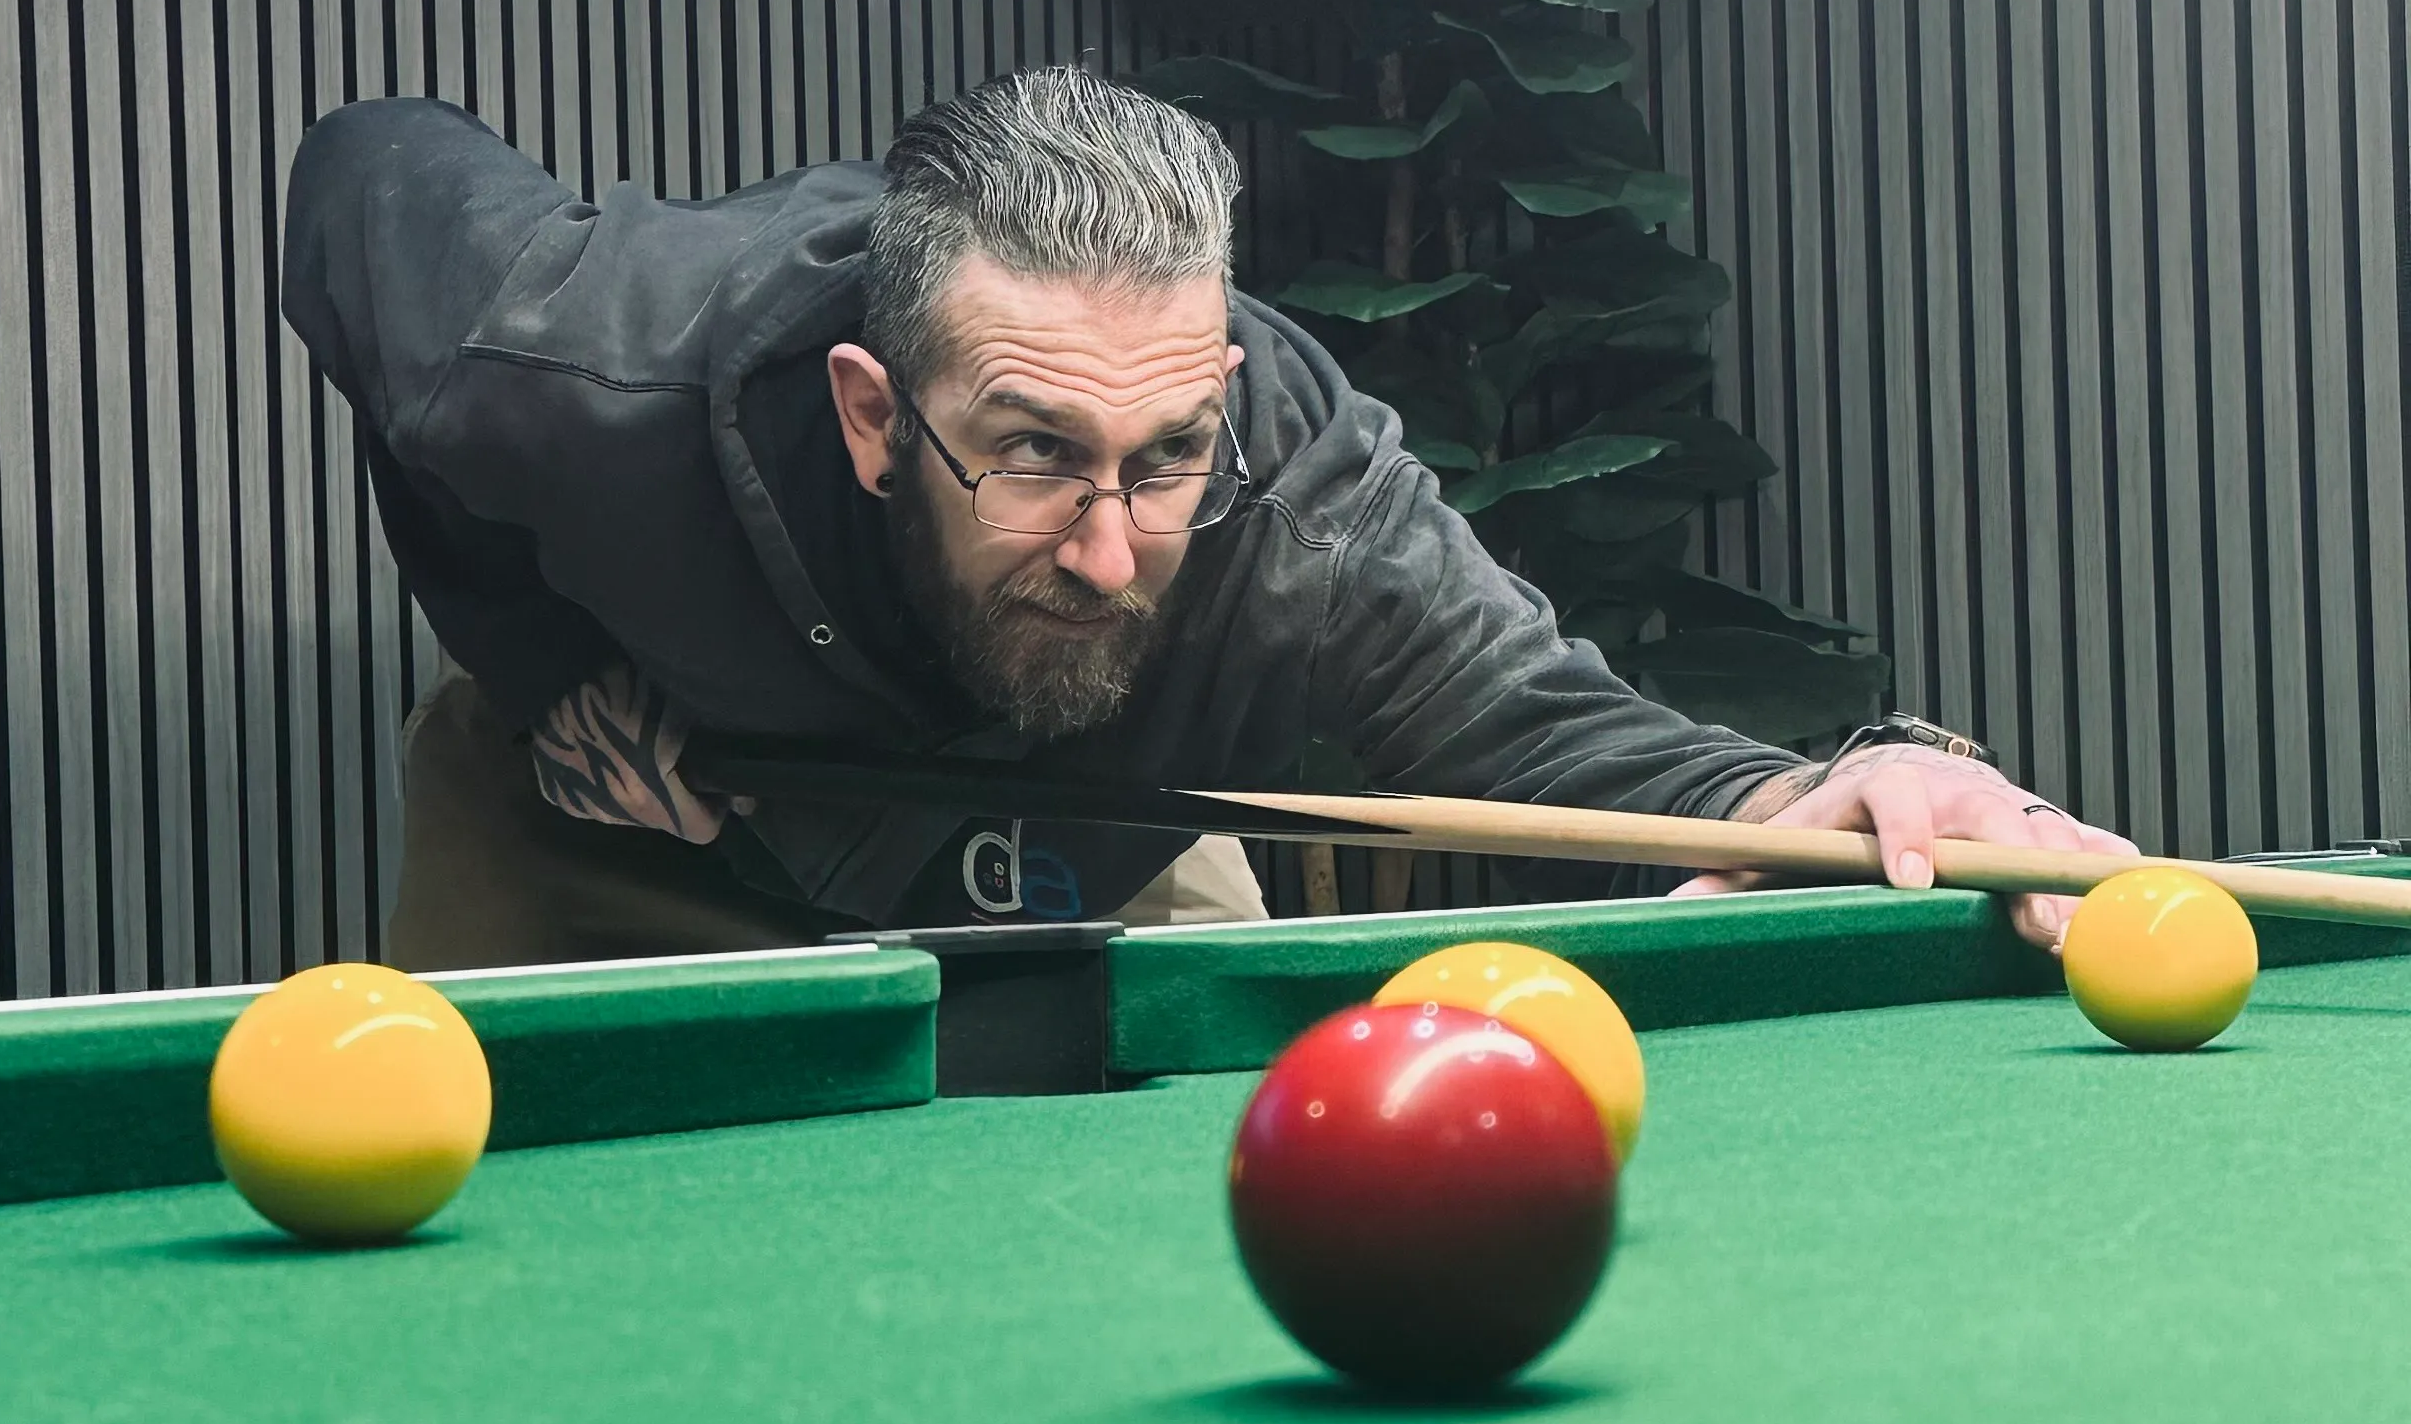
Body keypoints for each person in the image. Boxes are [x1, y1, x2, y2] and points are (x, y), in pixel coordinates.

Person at [281, 64, 2124, 968]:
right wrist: (541, 662)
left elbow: (1533, 720)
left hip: (1100, 828)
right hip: (628, 846)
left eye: (1164, 457)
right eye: (1031, 455)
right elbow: (365, 172)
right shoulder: (584, 367)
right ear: (871, 417)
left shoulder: (1296, 497)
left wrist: (1818, 791)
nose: (1110, 550)